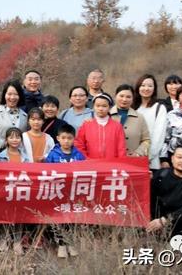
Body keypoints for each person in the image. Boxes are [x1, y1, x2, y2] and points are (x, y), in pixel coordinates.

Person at [44, 124, 84, 258]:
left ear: (74, 139)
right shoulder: (53, 155)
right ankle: (61, 244)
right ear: (58, 139)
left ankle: (70, 243)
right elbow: (46, 173)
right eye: (63, 138)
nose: (66, 141)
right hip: (57, 192)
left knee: (72, 219)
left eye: (69, 138)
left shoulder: (79, 155)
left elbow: (86, 171)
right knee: (59, 219)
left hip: (73, 193)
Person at [0, 127, 30, 255]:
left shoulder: (25, 158)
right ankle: (4, 239)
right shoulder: (0, 156)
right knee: (3, 216)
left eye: (17, 137)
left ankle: (17, 241)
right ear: (6, 140)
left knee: (18, 217)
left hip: (21, 190)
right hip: (6, 190)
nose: (14, 140)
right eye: (11, 137)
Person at [75, 94, 127, 159]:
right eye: (98, 106)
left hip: (112, 164)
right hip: (91, 164)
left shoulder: (117, 126)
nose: (100, 109)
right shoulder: (86, 125)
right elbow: (79, 144)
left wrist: (120, 163)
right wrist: (86, 159)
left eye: (104, 106)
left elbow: (121, 148)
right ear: (93, 107)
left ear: (110, 108)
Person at [133, 74, 168, 171]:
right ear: (138, 87)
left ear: (154, 89)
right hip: (131, 160)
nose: (146, 88)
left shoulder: (159, 108)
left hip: (150, 161)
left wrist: (147, 157)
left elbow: (159, 137)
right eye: (143, 85)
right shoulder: (133, 108)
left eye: (150, 86)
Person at [110, 84, 150, 157]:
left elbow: (146, 140)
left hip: (132, 162)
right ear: (115, 96)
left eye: (128, 97)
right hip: (110, 160)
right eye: (121, 96)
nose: (124, 99)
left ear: (132, 99)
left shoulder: (139, 117)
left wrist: (138, 153)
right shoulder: (106, 116)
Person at [0, 80, 28, 150]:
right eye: (9, 94)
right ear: (4, 95)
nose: (12, 97)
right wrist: (1, 143)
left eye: (16, 94)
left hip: (19, 155)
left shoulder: (25, 116)